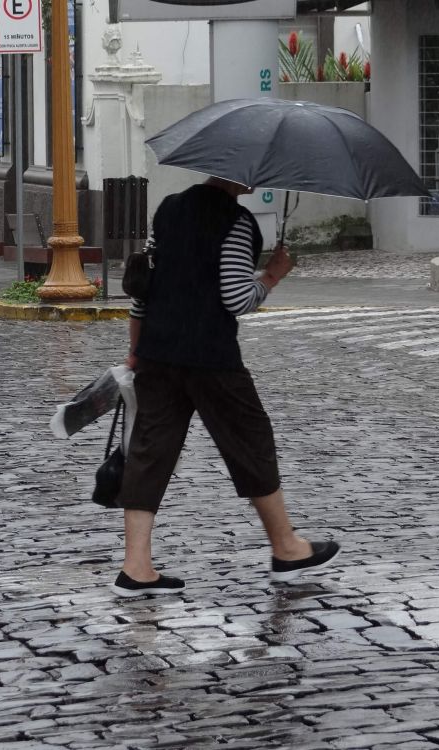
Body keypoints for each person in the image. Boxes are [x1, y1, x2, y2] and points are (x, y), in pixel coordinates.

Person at [115, 176, 341, 597]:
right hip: (210, 357)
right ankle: (287, 547)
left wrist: (135, 350)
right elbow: (236, 299)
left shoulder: (168, 208)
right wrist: (272, 276)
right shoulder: (236, 223)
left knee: (150, 450)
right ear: (235, 174)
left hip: (156, 352)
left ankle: (136, 567)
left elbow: (144, 286)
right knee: (250, 441)